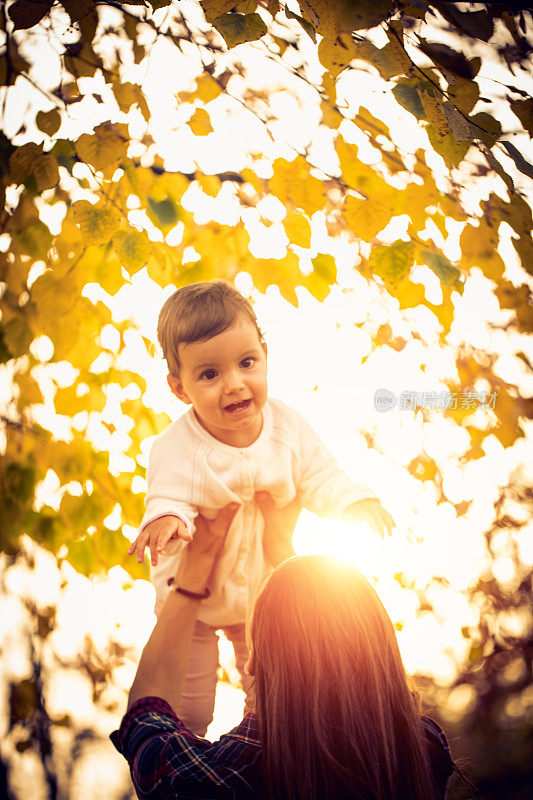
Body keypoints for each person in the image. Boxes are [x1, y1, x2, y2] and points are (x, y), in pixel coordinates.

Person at [127, 279, 394, 735]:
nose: (234, 385)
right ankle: (187, 745)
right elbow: (167, 495)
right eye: (209, 374)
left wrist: (354, 501)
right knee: (189, 710)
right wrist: (168, 520)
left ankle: (269, 742)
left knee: (273, 697)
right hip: (193, 602)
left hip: (262, 599)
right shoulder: (175, 446)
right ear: (179, 388)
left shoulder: (288, 428)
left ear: (265, 356)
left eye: (246, 363)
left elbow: (320, 477)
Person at [112, 501, 454, 800]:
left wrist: (193, 571)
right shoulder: (422, 749)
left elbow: (147, 719)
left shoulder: (225, 777)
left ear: (253, 663)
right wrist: (281, 549)